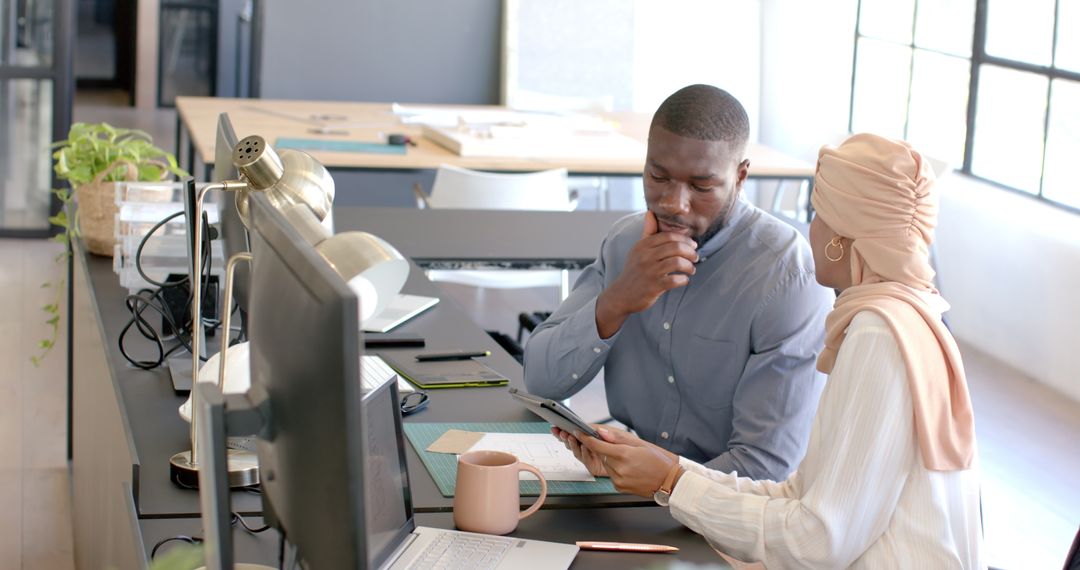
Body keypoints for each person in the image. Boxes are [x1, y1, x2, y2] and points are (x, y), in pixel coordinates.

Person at [557, 133, 984, 568]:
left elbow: (817, 542)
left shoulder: (879, 334)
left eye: (818, 214)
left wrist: (671, 482)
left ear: (841, 236)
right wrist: (667, 470)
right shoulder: (909, 316)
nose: (811, 229)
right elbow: (799, 497)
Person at [523, 84, 833, 481]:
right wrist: (617, 300)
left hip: (731, 511)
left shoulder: (789, 278)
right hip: (637, 485)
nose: (673, 203)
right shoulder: (624, 243)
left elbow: (765, 467)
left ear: (739, 177)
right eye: (658, 176)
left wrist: (661, 482)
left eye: (701, 187)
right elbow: (541, 381)